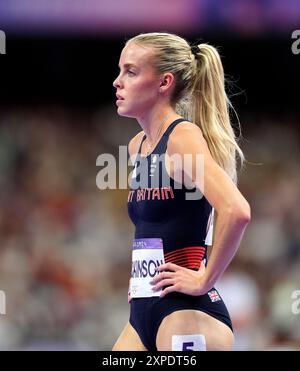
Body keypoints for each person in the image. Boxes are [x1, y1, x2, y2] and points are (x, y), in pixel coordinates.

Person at [112, 32, 251, 351]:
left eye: (131, 72)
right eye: (120, 71)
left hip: (187, 311)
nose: (117, 82)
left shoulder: (182, 138)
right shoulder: (138, 146)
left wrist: (205, 279)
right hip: (143, 310)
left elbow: (236, 210)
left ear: (164, 83)